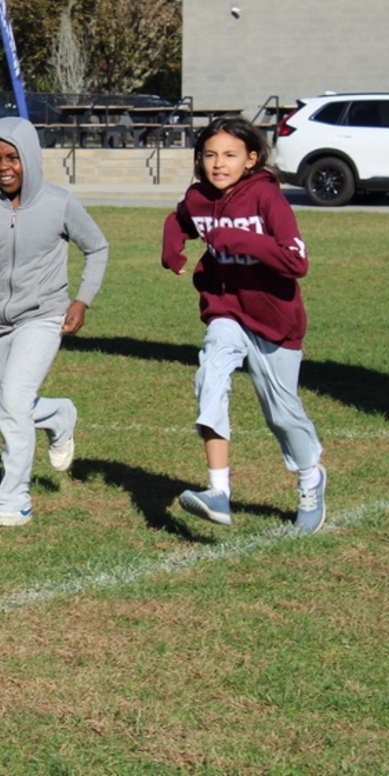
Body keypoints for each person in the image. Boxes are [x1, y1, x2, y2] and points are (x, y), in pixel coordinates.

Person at [162, 117, 327, 533]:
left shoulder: (267, 199)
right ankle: (218, 491)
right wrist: (173, 249)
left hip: (276, 321)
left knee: (282, 416)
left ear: (250, 159)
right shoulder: (198, 198)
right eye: (210, 155)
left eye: (231, 155)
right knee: (210, 375)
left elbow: (297, 261)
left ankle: (310, 477)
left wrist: (242, 240)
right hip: (226, 310)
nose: (219, 164)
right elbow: (181, 219)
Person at [0, 116, 108, 527]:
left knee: (12, 405)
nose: (4, 167)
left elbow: (97, 248)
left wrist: (82, 301)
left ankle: (13, 497)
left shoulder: (59, 203)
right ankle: (59, 416)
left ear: (30, 158)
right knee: (10, 407)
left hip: (43, 317)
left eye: (13, 157)